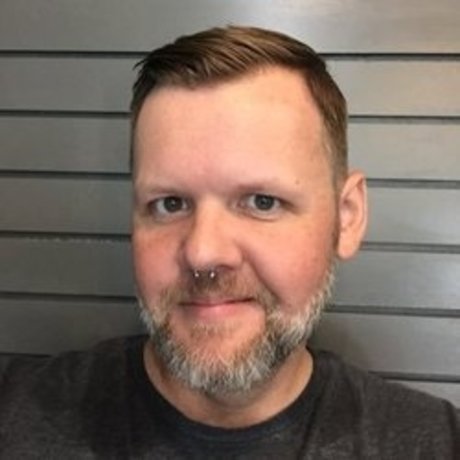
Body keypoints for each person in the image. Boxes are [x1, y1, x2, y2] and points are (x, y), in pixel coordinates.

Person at [0, 26, 458, 459]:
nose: (204, 253)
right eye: (170, 204)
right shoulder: (17, 417)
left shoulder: (436, 443)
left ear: (347, 217)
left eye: (262, 202)